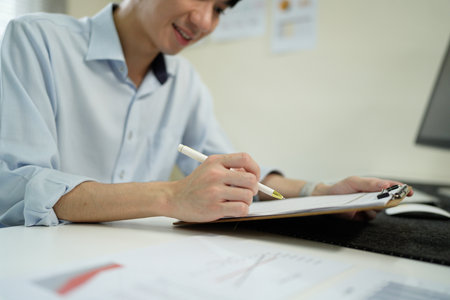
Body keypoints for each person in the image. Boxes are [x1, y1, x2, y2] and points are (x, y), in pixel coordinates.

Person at [0, 0, 411, 227]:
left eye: (220, 8)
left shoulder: (185, 81)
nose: (203, 20)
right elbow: (16, 187)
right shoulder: (36, 40)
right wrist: (171, 196)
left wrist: (320, 193)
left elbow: (240, 175)